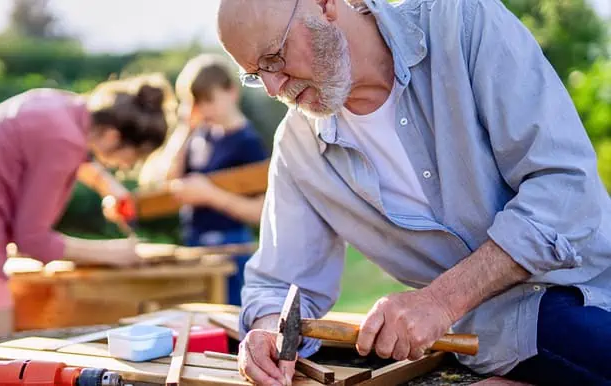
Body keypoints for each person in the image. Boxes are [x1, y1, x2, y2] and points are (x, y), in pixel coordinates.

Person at [216, 0, 611, 384]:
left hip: (593, 286)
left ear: (325, 5)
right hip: (509, 340)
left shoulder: (463, 23)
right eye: (255, 74)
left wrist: (441, 301)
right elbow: (277, 285)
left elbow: (564, 189)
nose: (271, 87)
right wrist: (267, 330)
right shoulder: (298, 148)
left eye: (273, 57)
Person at [0, 73, 177, 337]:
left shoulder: (61, 106)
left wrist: (107, 185)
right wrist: (113, 253)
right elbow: (32, 240)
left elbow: (51, 148)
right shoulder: (64, 141)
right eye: (134, 157)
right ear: (113, 137)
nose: (127, 167)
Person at [139, 54, 269, 306]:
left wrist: (210, 195)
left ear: (231, 91)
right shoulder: (200, 136)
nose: (204, 110)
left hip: (232, 248)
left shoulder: (248, 143)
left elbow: (261, 211)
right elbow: (167, 178)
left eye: (208, 100)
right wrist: (185, 129)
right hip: (195, 244)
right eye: (197, 103)